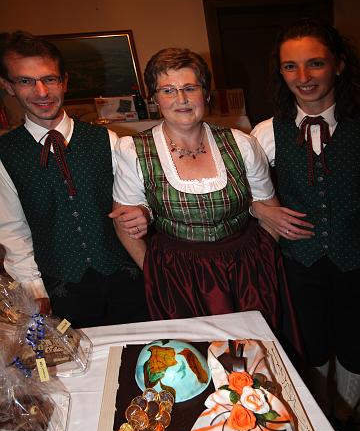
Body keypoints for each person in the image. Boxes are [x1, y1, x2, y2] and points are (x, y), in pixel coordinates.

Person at [111, 47, 301, 349]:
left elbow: (270, 211)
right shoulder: (133, 150)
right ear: (154, 98)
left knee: (251, 357)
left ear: (206, 93)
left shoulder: (242, 143)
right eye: (168, 90)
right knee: (193, 358)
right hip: (178, 279)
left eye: (190, 88)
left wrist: (260, 263)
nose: (181, 99)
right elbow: (124, 223)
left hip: (245, 273)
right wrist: (155, 272)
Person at [0, 31, 149, 328]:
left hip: (126, 279)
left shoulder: (107, 139)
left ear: (64, 81)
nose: (41, 92)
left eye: (50, 79)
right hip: (60, 289)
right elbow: (12, 231)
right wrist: (34, 292)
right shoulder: (5, 154)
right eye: (26, 81)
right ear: (8, 87)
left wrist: (143, 212)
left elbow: (137, 198)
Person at [251, 19, 360, 423]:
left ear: (339, 65)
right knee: (309, 348)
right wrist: (259, 208)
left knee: (355, 350)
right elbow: (232, 187)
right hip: (299, 265)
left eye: (315, 63)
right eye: (290, 66)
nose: (303, 77)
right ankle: (322, 418)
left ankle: (347, 422)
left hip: (356, 264)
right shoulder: (266, 133)